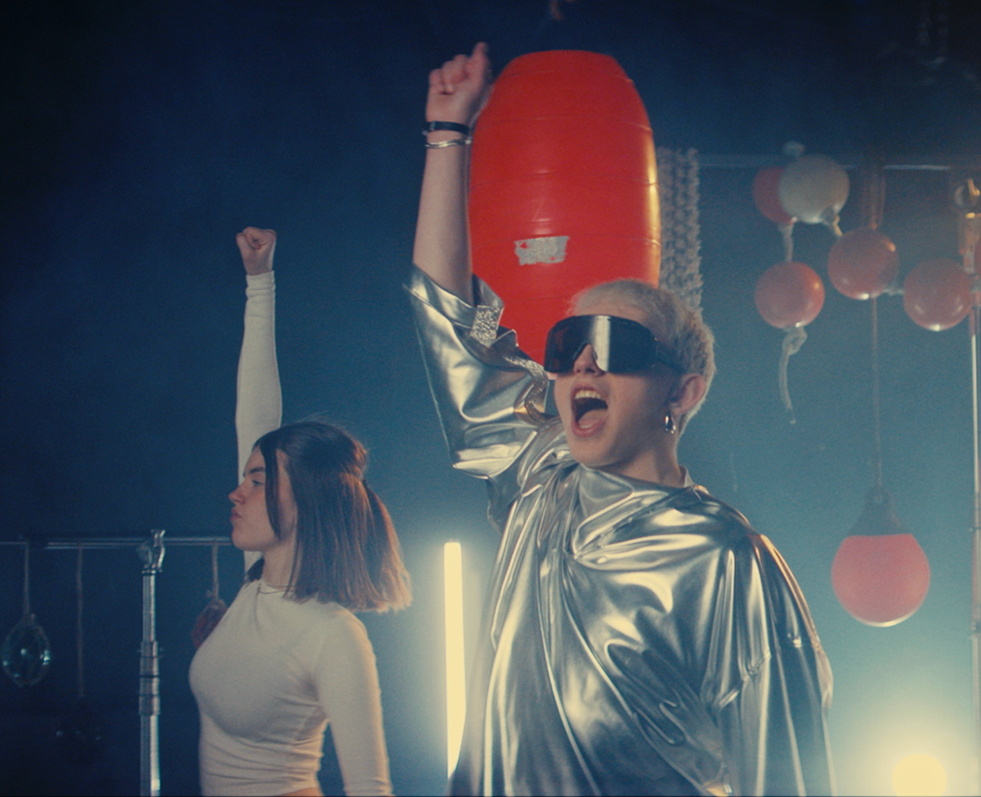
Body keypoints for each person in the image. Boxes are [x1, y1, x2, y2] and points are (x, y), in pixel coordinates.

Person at [407, 45, 833, 796]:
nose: (583, 367)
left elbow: (787, 772)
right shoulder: (541, 476)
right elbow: (448, 323)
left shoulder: (728, 561)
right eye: (568, 348)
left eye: (615, 348)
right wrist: (447, 136)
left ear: (683, 393)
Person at [190, 227, 412, 796]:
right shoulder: (255, 584)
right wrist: (258, 282)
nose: (236, 493)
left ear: (306, 500)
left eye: (257, 480)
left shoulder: (332, 635)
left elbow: (371, 789)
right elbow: (255, 415)